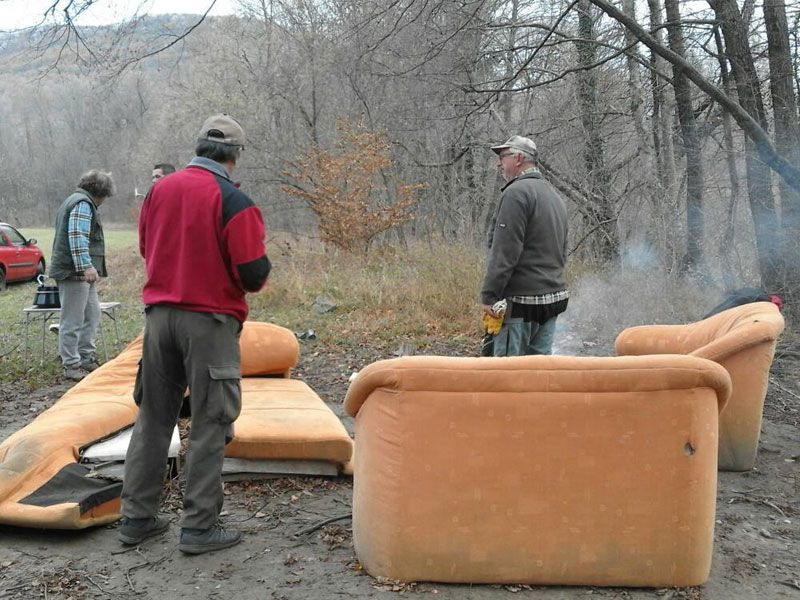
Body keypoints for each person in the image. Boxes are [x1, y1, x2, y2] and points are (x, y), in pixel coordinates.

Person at [119, 114, 271, 555]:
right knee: (210, 422)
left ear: (198, 148)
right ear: (235, 155)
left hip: (158, 319)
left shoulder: (158, 191)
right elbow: (253, 274)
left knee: (153, 417)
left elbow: (148, 249)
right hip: (209, 324)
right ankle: (200, 528)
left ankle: (136, 519)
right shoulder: (233, 199)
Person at [480, 135, 569, 356]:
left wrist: (489, 296)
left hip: (521, 305)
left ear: (519, 158)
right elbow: (563, 251)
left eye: (503, 156)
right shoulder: (554, 196)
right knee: (538, 378)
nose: (499, 163)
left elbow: (504, 252)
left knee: (508, 380)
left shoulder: (515, 193)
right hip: (553, 300)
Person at [49, 170, 115, 381]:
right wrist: (86, 266)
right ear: (101, 192)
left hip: (81, 274)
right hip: (74, 273)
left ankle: (85, 357)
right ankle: (71, 364)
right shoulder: (82, 204)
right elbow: (77, 237)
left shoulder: (76, 200)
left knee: (92, 315)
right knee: (72, 320)